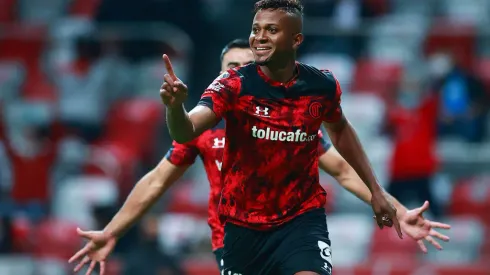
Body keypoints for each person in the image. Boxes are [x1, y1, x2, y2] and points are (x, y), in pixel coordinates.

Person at [68, 38, 450, 274]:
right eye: (229, 69)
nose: (236, 76)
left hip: (291, 230)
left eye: (245, 67)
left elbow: (345, 172)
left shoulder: (291, 119)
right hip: (235, 241)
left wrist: (396, 209)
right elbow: (155, 180)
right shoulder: (203, 130)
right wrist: (112, 230)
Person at [158, 1, 448, 274]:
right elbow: (185, 130)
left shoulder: (320, 85)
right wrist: (174, 107)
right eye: (256, 29)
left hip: (301, 222)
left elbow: (341, 131)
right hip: (243, 227)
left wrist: (379, 194)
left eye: (271, 30)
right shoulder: (232, 84)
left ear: (296, 40)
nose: (259, 37)